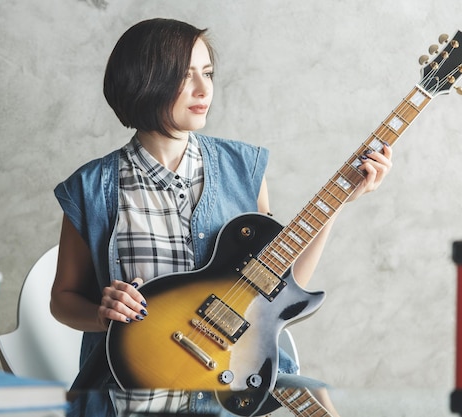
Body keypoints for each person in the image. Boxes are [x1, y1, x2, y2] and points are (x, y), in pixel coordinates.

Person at [50, 18, 392, 417]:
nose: (203, 89)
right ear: (143, 79)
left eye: (207, 73)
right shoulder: (92, 188)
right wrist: (101, 312)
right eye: (184, 75)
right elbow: (62, 300)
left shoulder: (243, 168)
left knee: (319, 401)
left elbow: (279, 285)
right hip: (131, 399)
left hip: (227, 396)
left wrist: (339, 202)